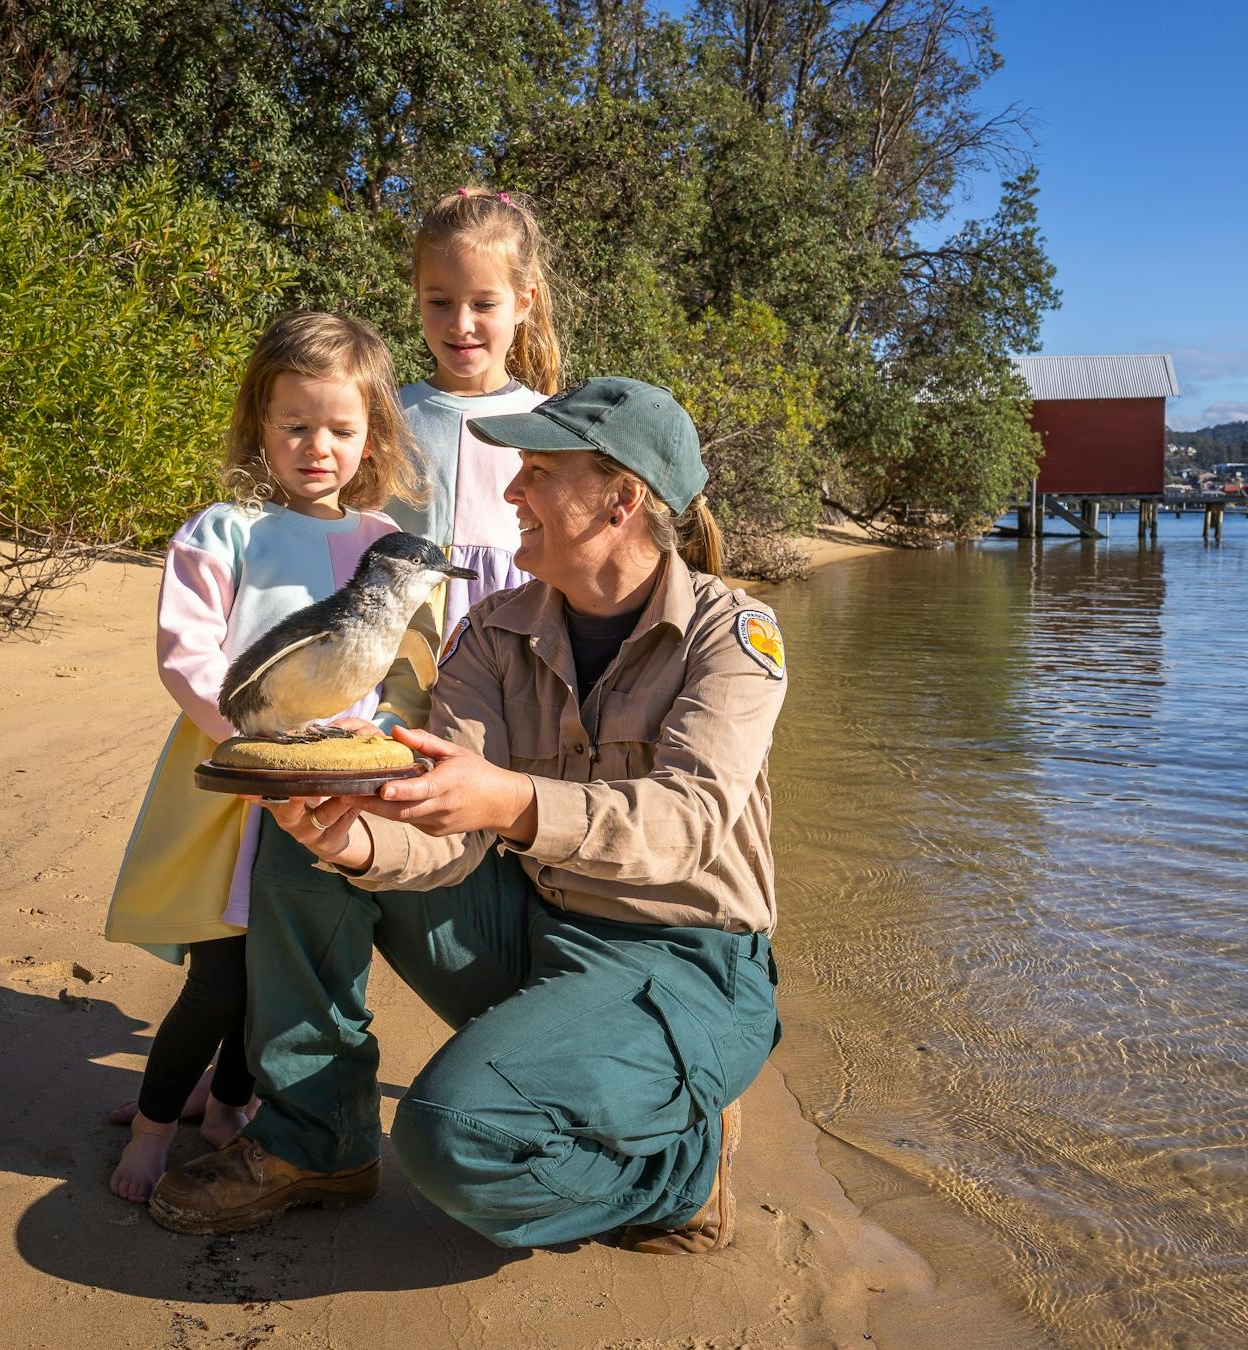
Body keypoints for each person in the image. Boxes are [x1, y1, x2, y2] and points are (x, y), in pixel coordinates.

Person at [150, 377, 787, 1256]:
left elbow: (689, 823)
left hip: (687, 959)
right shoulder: (490, 631)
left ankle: (684, 1168)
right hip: (533, 926)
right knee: (308, 850)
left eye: (538, 473)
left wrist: (510, 800)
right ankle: (316, 1139)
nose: (512, 492)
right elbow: (449, 834)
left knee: (452, 1141)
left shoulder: (731, 634)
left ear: (622, 500)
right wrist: (356, 837)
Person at [102, 311, 424, 1203]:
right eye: (295, 425)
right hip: (229, 778)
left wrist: (371, 736)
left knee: (276, 977)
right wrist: (252, 744)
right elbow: (188, 657)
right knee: (218, 980)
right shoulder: (226, 529)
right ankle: (153, 1128)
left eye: (341, 429)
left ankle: (226, 1108)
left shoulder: (379, 540)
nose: (318, 447)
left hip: (327, 790)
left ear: (372, 437)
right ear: (260, 425)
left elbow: (399, 664)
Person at [376, 185, 561, 732]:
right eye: (440, 302)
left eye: (483, 304)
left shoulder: (549, 422)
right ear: (416, 296)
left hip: (513, 631)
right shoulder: (385, 414)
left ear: (524, 302)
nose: (460, 324)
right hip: (399, 638)